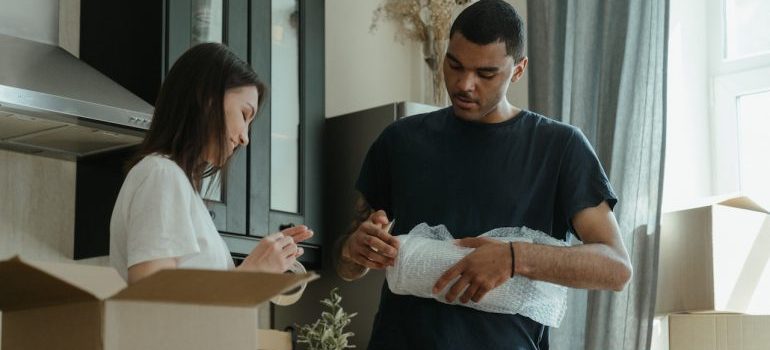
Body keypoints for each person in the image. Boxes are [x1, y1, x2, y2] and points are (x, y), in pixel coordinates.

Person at [334, 1, 632, 349]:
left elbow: (616, 268)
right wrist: (354, 251)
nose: (464, 84)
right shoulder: (399, 141)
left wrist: (514, 257)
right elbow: (346, 265)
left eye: (486, 74)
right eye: (454, 64)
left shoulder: (560, 147)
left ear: (518, 71)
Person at [110, 42, 313, 283]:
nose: (245, 138)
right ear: (207, 99)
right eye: (244, 115)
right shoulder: (161, 174)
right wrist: (251, 274)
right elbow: (152, 301)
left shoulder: (179, 185)